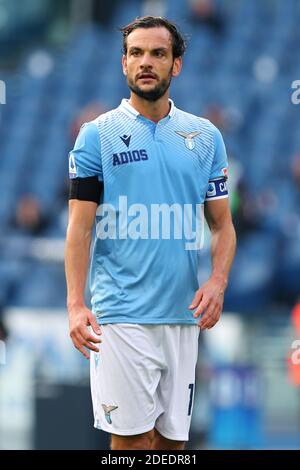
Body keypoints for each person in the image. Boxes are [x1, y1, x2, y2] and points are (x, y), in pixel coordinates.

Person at [65, 16, 236, 451]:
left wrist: (217, 282)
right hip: (120, 314)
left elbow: (223, 225)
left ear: (175, 65)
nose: (146, 62)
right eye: (136, 53)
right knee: (134, 442)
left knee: (171, 445)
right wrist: (75, 304)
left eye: (158, 53)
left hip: (183, 316)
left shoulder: (205, 137)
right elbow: (79, 229)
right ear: (123, 64)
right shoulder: (96, 136)